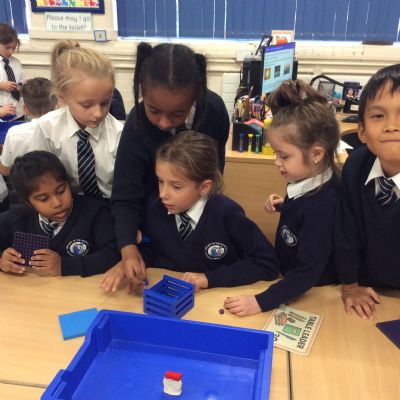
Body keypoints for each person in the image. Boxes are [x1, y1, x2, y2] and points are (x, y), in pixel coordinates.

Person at [111, 42, 230, 285]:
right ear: (141, 92)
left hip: (199, 224)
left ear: (195, 97)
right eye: (154, 111)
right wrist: (128, 248)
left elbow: (214, 174)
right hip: (154, 230)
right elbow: (125, 195)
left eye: (177, 114)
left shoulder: (214, 111)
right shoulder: (136, 124)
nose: (164, 123)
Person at [102, 131, 279, 292]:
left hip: (217, 302)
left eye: (176, 186)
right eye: (160, 181)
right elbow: (158, 251)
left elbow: (267, 263)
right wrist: (131, 261)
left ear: (204, 187)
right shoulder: (155, 208)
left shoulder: (227, 213)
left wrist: (209, 279)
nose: (163, 194)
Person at [225, 80, 340, 316]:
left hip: (313, 290)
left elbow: (307, 272)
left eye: (284, 156)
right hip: (288, 273)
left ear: (317, 154)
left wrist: (260, 302)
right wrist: (286, 206)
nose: (277, 162)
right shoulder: (309, 178)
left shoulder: (322, 207)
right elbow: (303, 212)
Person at [335, 64, 400, 320]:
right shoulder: (356, 165)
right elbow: (346, 232)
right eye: (378, 116)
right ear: (361, 131)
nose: (391, 126)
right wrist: (350, 286)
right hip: (368, 288)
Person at [22, 40, 122, 199]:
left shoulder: (119, 134)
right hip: (65, 202)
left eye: (105, 103)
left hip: (109, 203)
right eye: (86, 105)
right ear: (62, 97)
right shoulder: (47, 128)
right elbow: (39, 176)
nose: (98, 113)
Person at [0, 151, 120, 276]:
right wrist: (2, 260)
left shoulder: (95, 212)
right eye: (43, 199)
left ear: (69, 183)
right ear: (28, 203)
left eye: (61, 191)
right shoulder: (17, 216)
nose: (57, 203)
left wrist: (64, 265)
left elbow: (115, 254)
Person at [0, 77, 57, 176]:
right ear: (56, 105)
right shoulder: (66, 129)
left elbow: (6, 171)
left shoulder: (14, 133)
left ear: (25, 109)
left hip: (25, 183)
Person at [0, 23, 25, 120]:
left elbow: (22, 80)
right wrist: (1, 85)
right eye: (7, 47)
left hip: (18, 111)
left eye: (14, 48)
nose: (11, 51)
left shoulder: (16, 63)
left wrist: (23, 86)